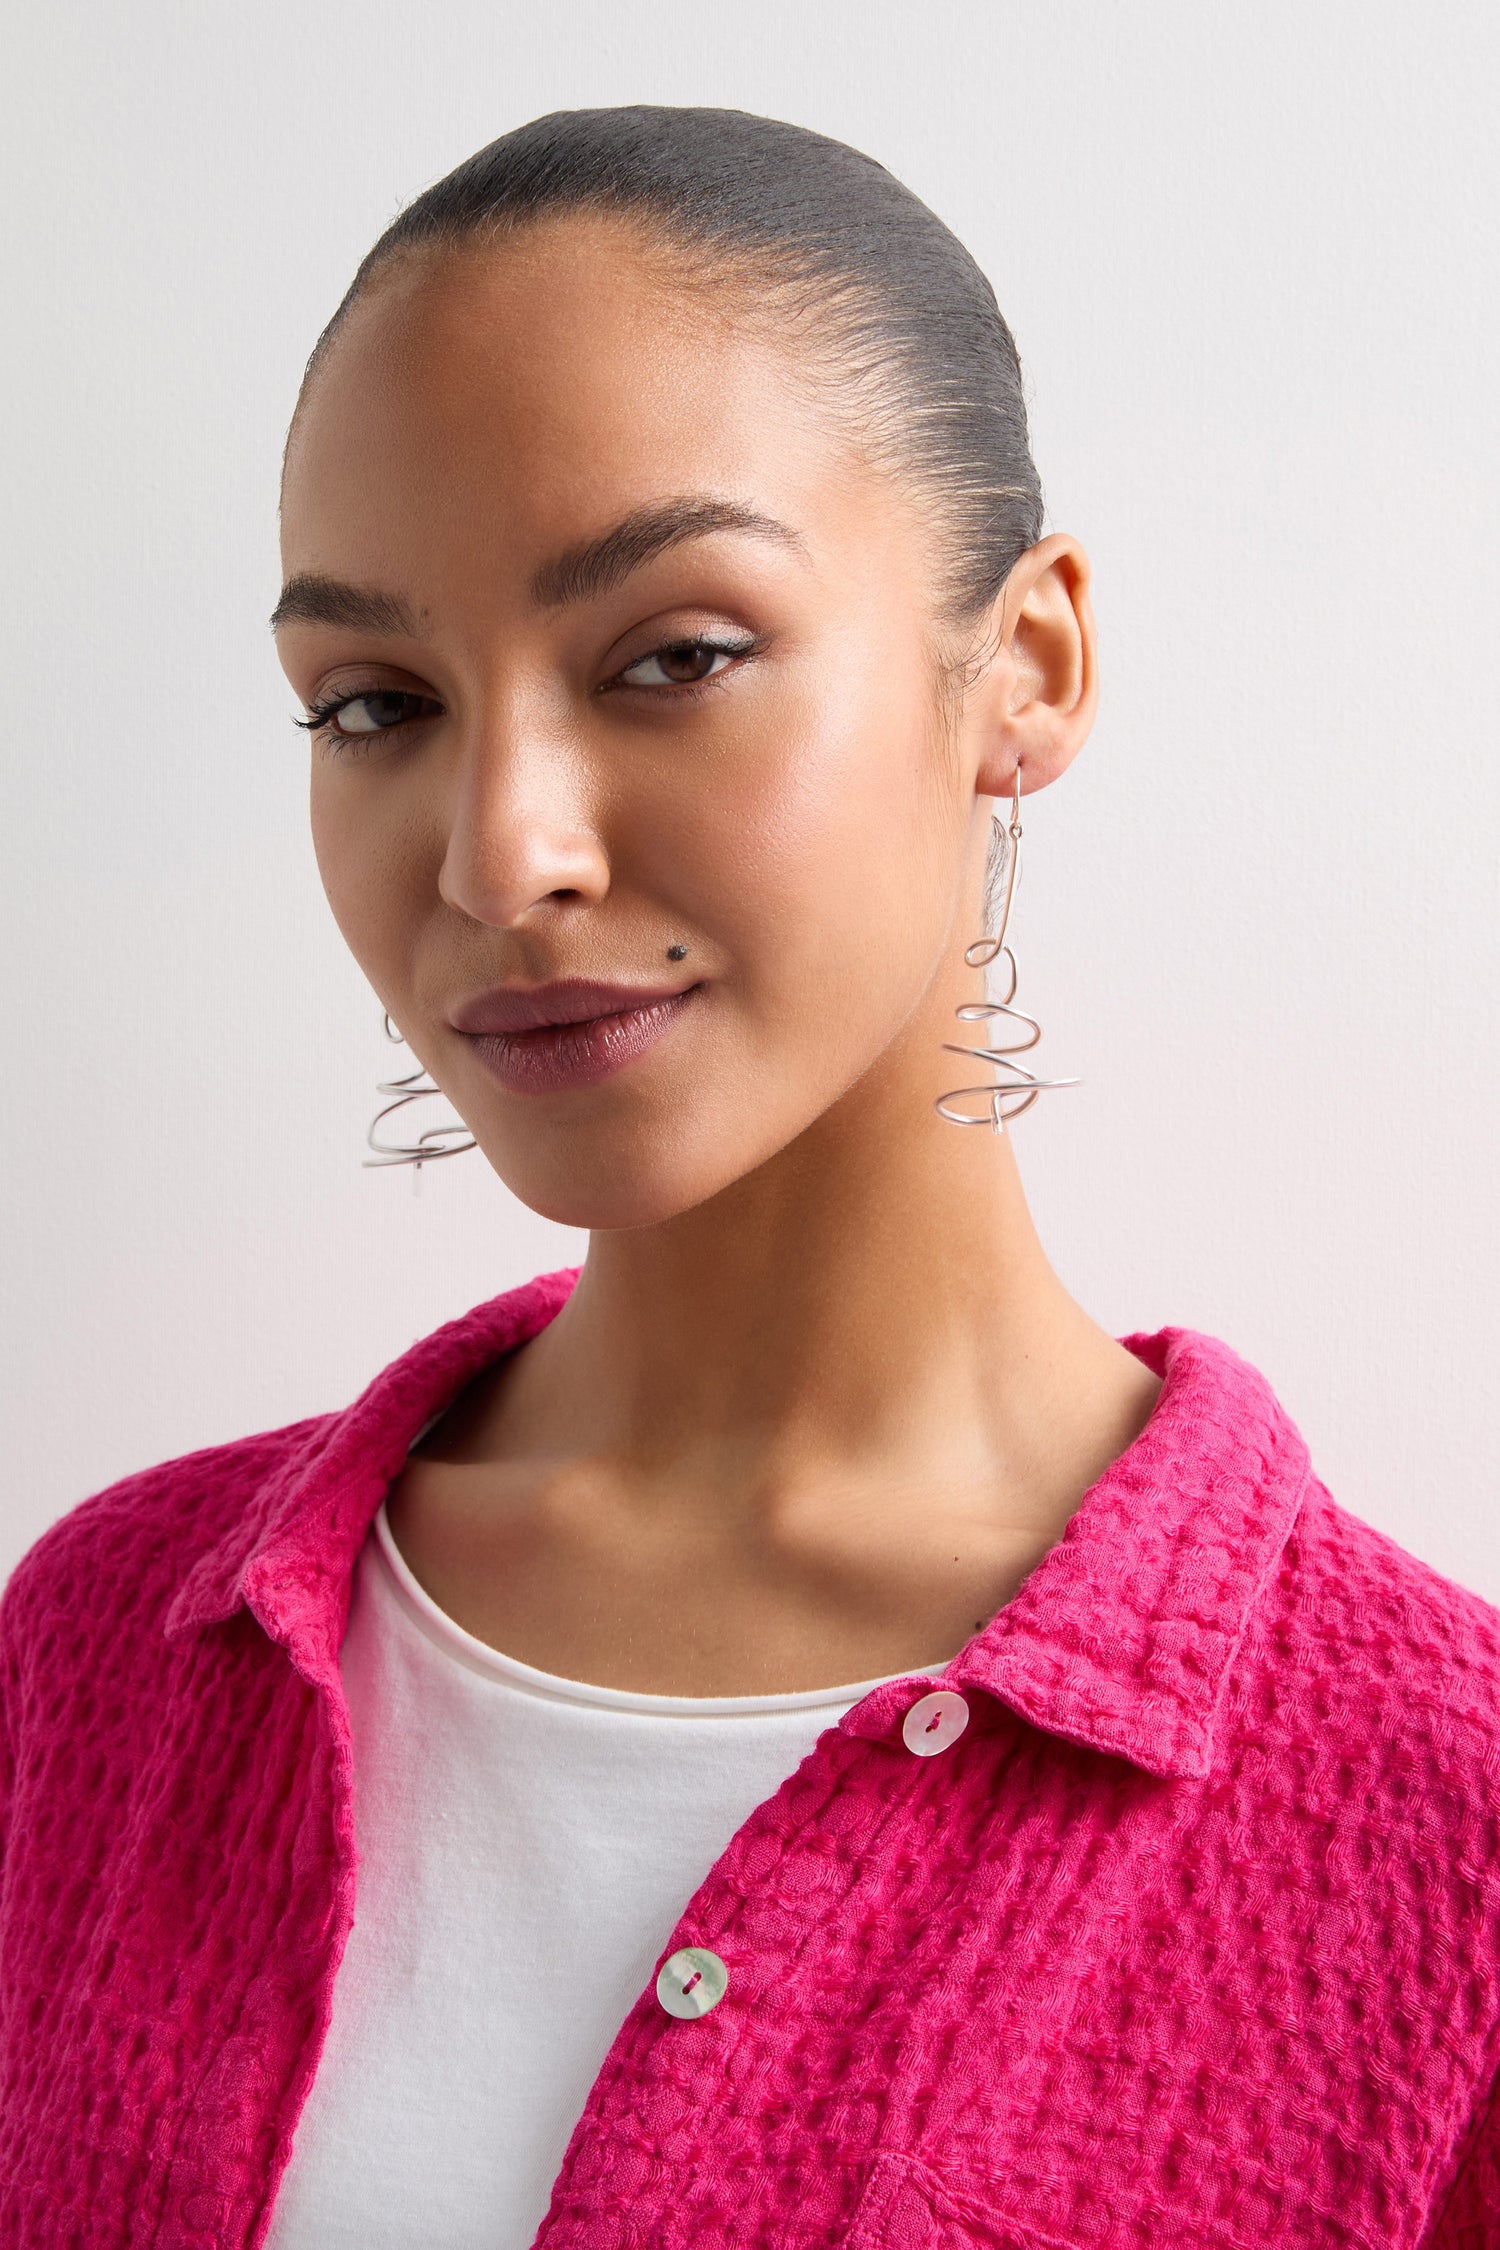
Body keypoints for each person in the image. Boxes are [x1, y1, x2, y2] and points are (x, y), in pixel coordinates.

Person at [2, 104, 1498, 2250]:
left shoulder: (1439, 1827)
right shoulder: (101, 1662)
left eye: (673, 658)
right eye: (372, 705)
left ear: (1032, 669)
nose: (498, 850)